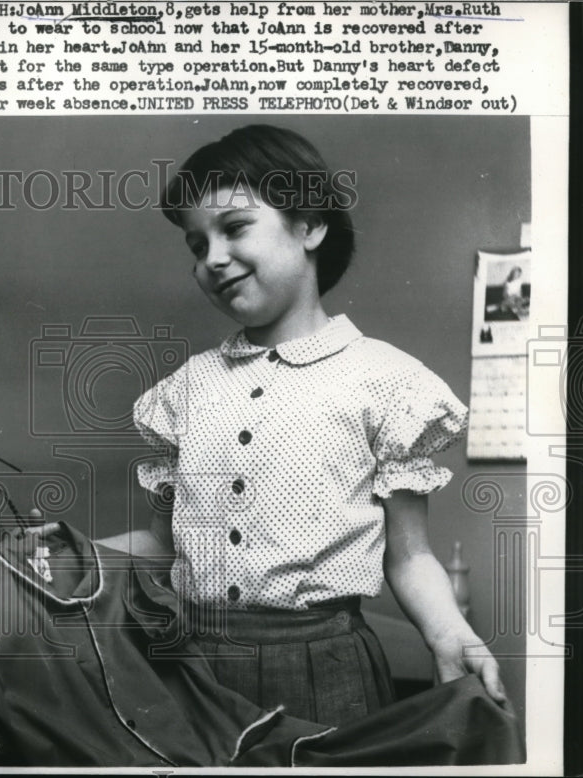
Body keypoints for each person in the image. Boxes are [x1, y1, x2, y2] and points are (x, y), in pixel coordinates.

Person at [105, 125, 507, 727]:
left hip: (327, 669)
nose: (212, 258)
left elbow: (409, 554)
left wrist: (450, 632)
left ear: (309, 225)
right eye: (196, 244)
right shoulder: (185, 391)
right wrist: (59, 552)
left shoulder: (385, 381)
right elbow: (165, 546)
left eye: (235, 227)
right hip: (194, 668)